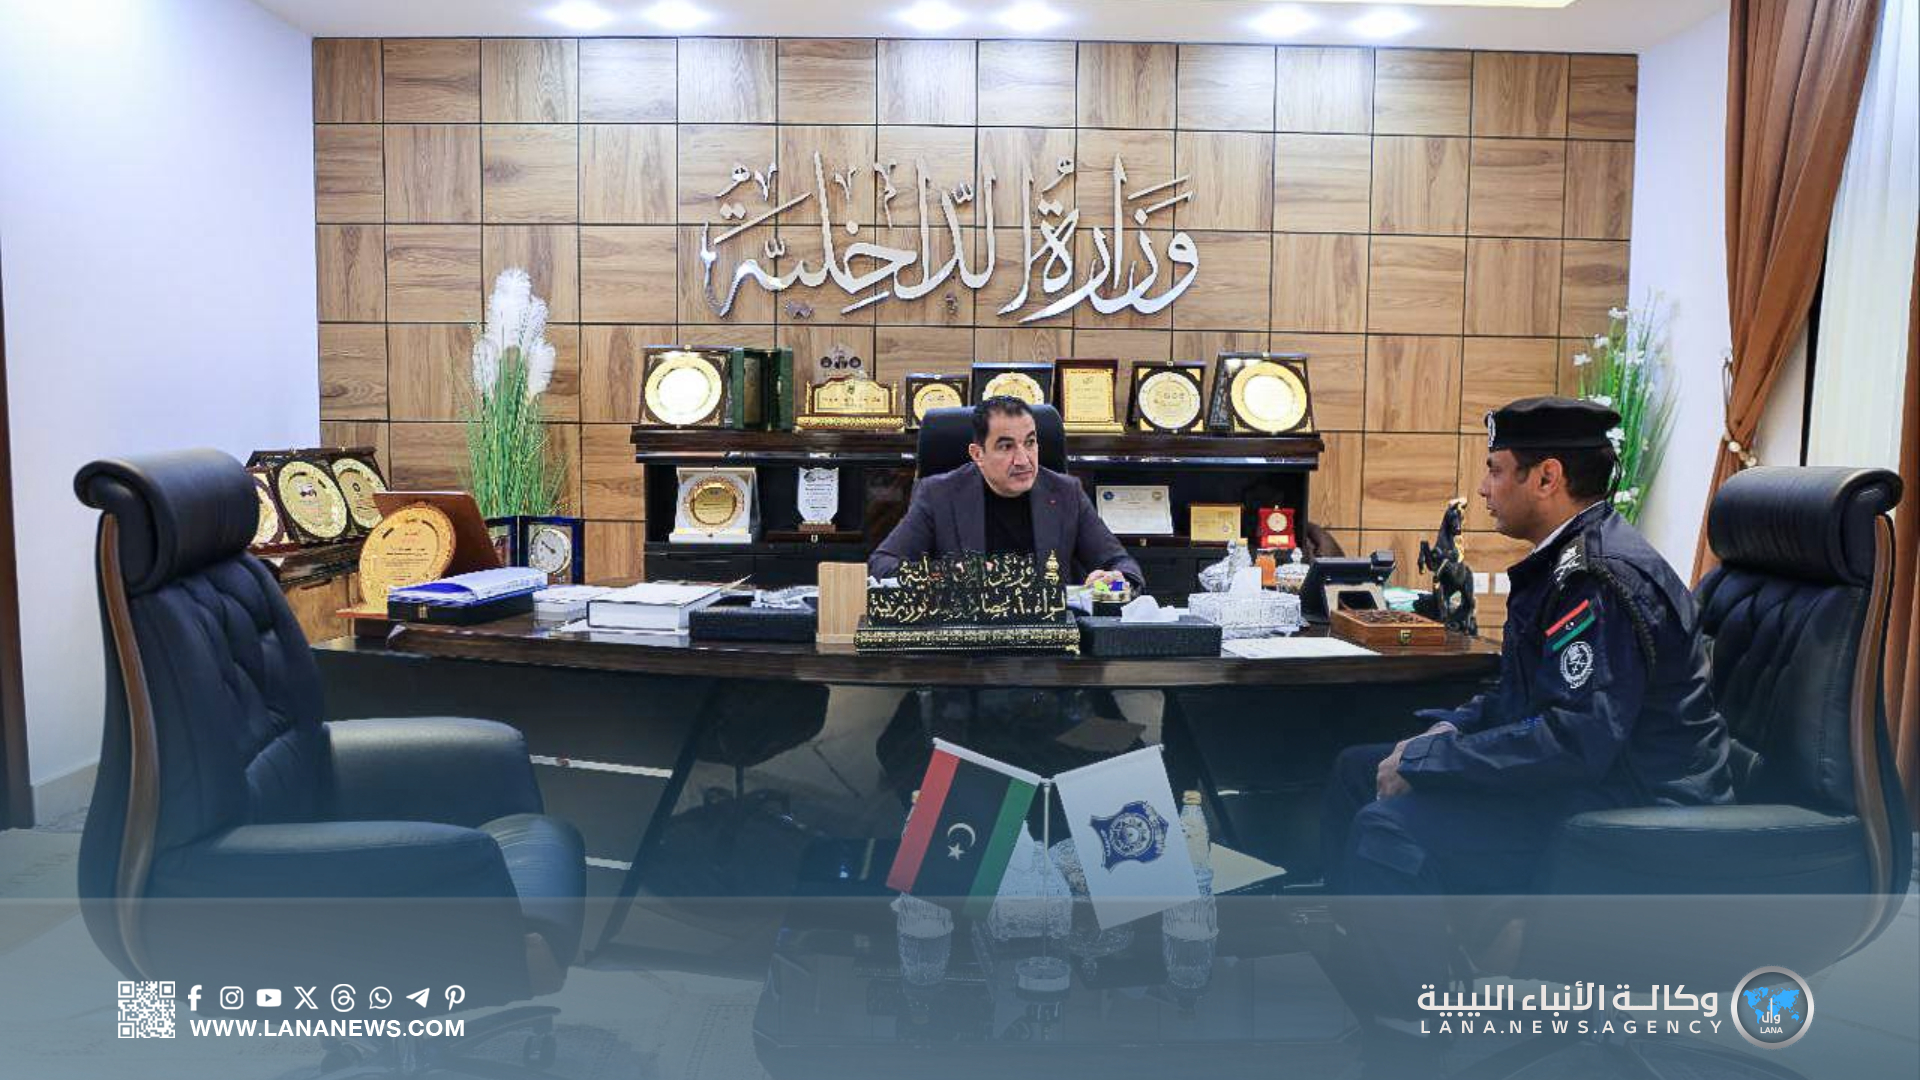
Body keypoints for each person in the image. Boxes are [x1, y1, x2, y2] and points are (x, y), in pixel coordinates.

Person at [1318, 396, 1732, 1077]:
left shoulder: (1598, 578)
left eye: (1494, 469)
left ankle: (1409, 1045)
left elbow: (1574, 739)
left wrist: (1429, 762)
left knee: (1389, 831)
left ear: (1546, 477)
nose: (1482, 489)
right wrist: (1447, 731)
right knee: (1354, 773)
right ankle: (1374, 983)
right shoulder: (1562, 562)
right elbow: (1522, 698)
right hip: (1594, 777)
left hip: (1635, 808)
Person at [869, 396, 1145, 592]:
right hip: (967, 641)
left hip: (1049, 642)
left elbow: (1126, 570)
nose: (1023, 460)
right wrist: (946, 575)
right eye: (1006, 446)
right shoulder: (939, 495)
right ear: (978, 454)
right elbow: (882, 564)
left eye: (1030, 443)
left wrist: (1114, 583)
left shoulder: (1066, 493)